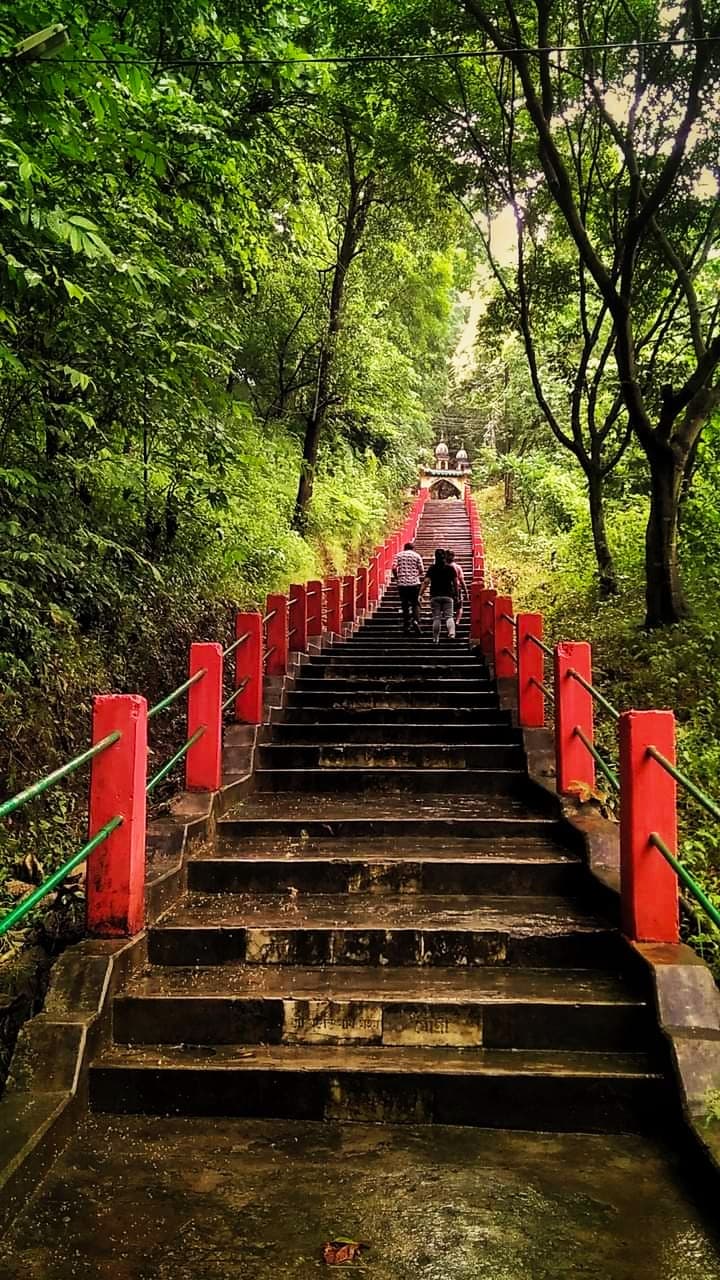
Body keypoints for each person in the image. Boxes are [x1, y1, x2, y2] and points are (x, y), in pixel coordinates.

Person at [419, 548, 457, 643]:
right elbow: (455, 583)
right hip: (448, 595)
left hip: (435, 596)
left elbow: (426, 582)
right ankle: (452, 633)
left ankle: (435, 638)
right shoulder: (450, 568)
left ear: (435, 557)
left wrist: (420, 594)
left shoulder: (432, 568)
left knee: (436, 618)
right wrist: (456, 594)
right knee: (449, 616)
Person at [391, 540, 425, 634]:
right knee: (415, 603)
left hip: (402, 584)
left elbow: (394, 567)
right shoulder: (416, 555)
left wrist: (397, 577)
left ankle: (406, 625)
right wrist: (416, 575)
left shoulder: (398, 555)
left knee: (405, 604)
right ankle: (416, 621)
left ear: (404, 548)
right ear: (413, 548)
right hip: (414, 584)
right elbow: (422, 570)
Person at [446, 549, 469, 625]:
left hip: (446, 589)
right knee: (459, 606)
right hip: (457, 589)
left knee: (448, 606)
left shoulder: (443, 567)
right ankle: (457, 621)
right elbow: (461, 580)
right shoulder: (457, 567)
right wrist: (466, 592)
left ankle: (450, 620)